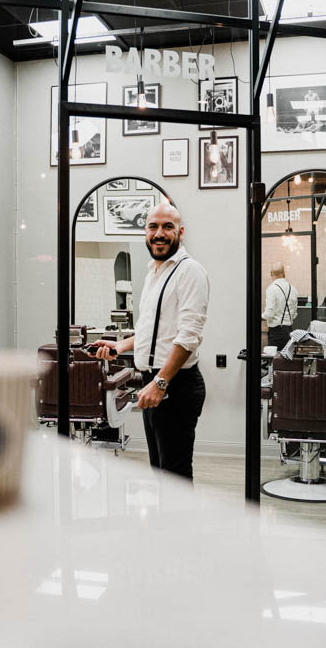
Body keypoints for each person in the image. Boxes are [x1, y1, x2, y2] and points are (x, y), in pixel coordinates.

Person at [88, 203, 209, 480]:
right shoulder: (154, 272)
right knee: (160, 473)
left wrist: (161, 381)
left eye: (167, 227)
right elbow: (149, 330)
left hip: (175, 386)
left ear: (181, 232)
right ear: (145, 232)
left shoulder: (190, 272)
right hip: (152, 382)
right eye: (153, 226)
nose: (159, 233)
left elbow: (188, 336)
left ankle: (177, 523)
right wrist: (119, 346)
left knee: (174, 476)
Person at [263, 262, 298, 351]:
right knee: (286, 361)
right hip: (289, 331)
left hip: (276, 331)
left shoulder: (271, 289)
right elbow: (294, 314)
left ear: (271, 273)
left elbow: (269, 313)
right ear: (284, 273)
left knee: (275, 361)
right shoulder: (293, 289)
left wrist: (260, 317)